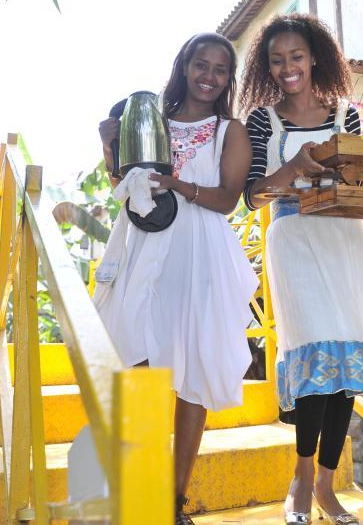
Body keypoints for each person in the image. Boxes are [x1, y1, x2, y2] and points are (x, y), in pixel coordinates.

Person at [240, 14, 363, 525]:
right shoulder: (262, 121)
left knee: (346, 366)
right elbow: (251, 196)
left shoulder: (346, 114)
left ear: (315, 59)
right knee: (314, 363)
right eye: (277, 59)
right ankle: (302, 478)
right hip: (294, 241)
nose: (288, 67)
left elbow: (355, 183)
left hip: (346, 241)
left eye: (297, 57)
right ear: (268, 67)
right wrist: (293, 169)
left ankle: (328, 489)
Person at [94, 32, 257, 525]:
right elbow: (125, 187)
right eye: (200, 65)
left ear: (228, 79)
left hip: (199, 251)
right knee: (136, 357)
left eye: (220, 70)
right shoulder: (152, 120)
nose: (209, 76)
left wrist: (176, 184)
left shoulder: (230, 130)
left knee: (193, 372)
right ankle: (143, 485)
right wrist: (109, 145)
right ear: (184, 67)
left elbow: (229, 198)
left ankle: (173, 500)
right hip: (144, 244)